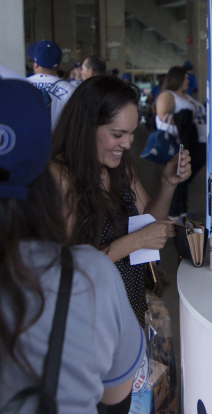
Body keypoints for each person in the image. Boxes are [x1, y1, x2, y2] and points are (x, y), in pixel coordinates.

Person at [0, 78, 144, 413]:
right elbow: (115, 391)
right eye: (117, 133)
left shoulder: (121, 172)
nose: (125, 144)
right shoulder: (87, 274)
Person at [49, 75, 192, 327]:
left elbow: (148, 220)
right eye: (117, 134)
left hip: (129, 302)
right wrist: (135, 241)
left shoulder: (120, 167)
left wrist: (168, 184)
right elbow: (67, 264)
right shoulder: (61, 176)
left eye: (132, 133)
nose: (126, 144)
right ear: (85, 126)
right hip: (90, 315)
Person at [155, 66, 206, 219]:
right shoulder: (168, 95)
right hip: (181, 143)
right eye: (185, 77)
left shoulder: (186, 96)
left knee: (184, 177)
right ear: (177, 78)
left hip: (196, 142)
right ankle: (174, 213)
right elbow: (163, 118)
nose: (187, 80)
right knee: (180, 177)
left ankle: (181, 210)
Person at [26, 40, 76, 129]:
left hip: (29, 141)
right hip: (60, 141)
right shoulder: (71, 90)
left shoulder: (22, 86)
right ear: (60, 64)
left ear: (36, 64)